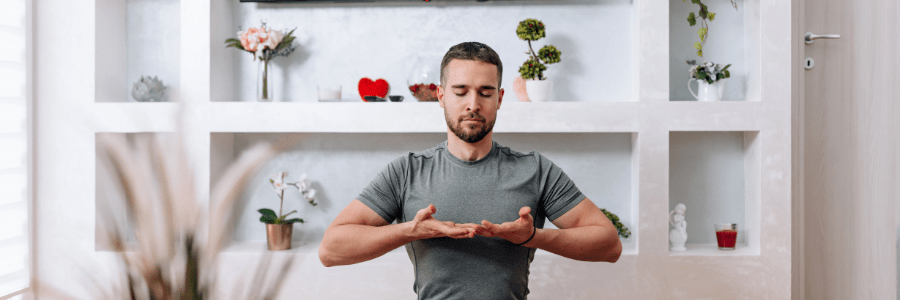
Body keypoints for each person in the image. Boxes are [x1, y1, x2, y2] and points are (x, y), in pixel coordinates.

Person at [318, 41, 622, 299]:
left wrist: (532, 237)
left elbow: (609, 245)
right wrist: (411, 230)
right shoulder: (406, 171)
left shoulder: (535, 169)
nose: (473, 104)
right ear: (441, 95)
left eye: (485, 92)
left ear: (500, 99)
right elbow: (331, 250)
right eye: (460, 91)